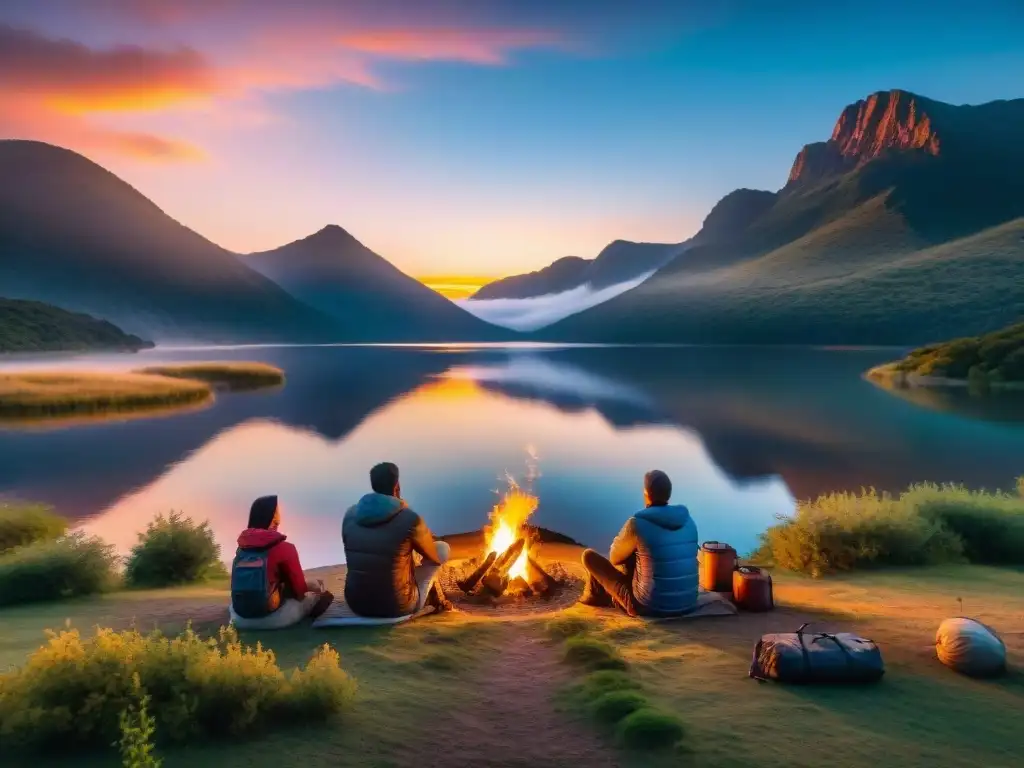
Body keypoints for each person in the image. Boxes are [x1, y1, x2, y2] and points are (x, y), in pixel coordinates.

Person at [578, 470, 698, 617]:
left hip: (648, 607)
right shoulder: (688, 521)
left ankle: (594, 597)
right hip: (688, 602)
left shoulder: (637, 524)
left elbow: (614, 557)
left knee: (589, 557)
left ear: (646, 493)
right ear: (668, 493)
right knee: (643, 555)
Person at [342, 462, 453, 617]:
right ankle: (431, 597)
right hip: (397, 607)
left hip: (356, 603)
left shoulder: (350, 515)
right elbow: (433, 556)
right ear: (397, 486)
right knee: (442, 549)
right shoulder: (410, 518)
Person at [230, 495, 333, 629]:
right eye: (277, 512)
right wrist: (312, 588)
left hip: (238, 618)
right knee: (318, 593)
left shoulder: (241, 549)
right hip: (275, 619)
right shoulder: (285, 548)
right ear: (273, 518)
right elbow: (300, 592)